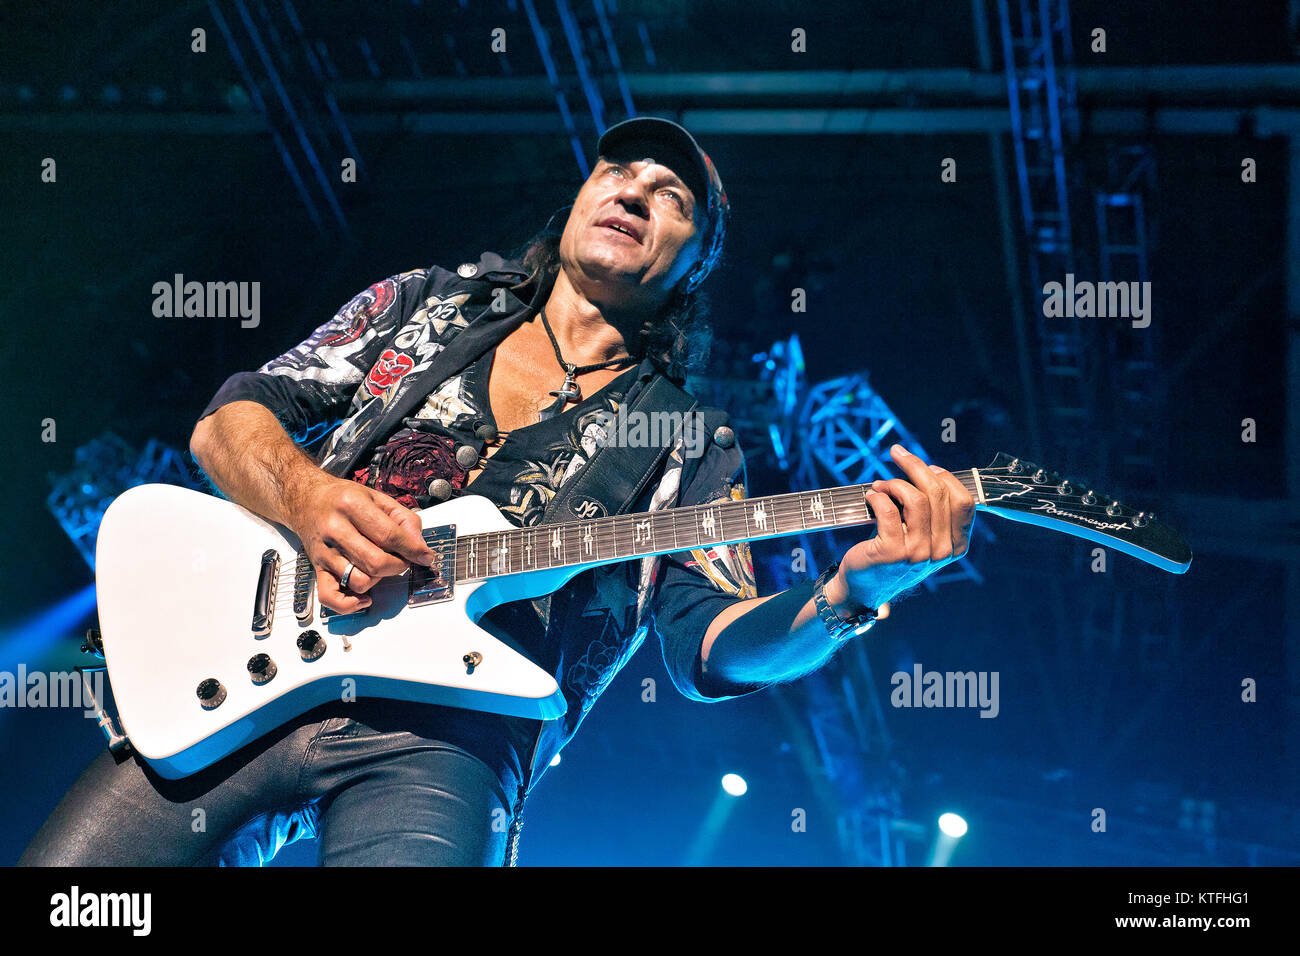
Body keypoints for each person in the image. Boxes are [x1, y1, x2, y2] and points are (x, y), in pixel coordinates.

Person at [19, 117, 974, 867]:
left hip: (446, 748)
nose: (634, 192)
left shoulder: (688, 438)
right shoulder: (428, 305)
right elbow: (230, 421)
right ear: (578, 198)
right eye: (618, 173)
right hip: (240, 680)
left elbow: (711, 648)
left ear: (697, 260)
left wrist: (848, 600)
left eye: (671, 195)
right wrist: (309, 501)